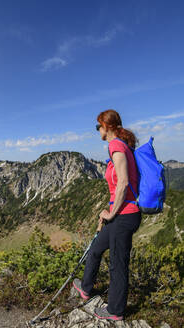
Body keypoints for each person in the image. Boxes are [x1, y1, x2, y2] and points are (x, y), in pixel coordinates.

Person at [72, 109, 141, 321]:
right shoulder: (121, 146)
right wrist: (108, 212)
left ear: (107, 127)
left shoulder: (116, 145)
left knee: (118, 264)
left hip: (125, 215)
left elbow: (123, 183)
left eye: (98, 126)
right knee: (95, 249)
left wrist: (111, 214)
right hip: (118, 213)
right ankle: (85, 288)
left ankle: (115, 311)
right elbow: (118, 187)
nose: (97, 130)